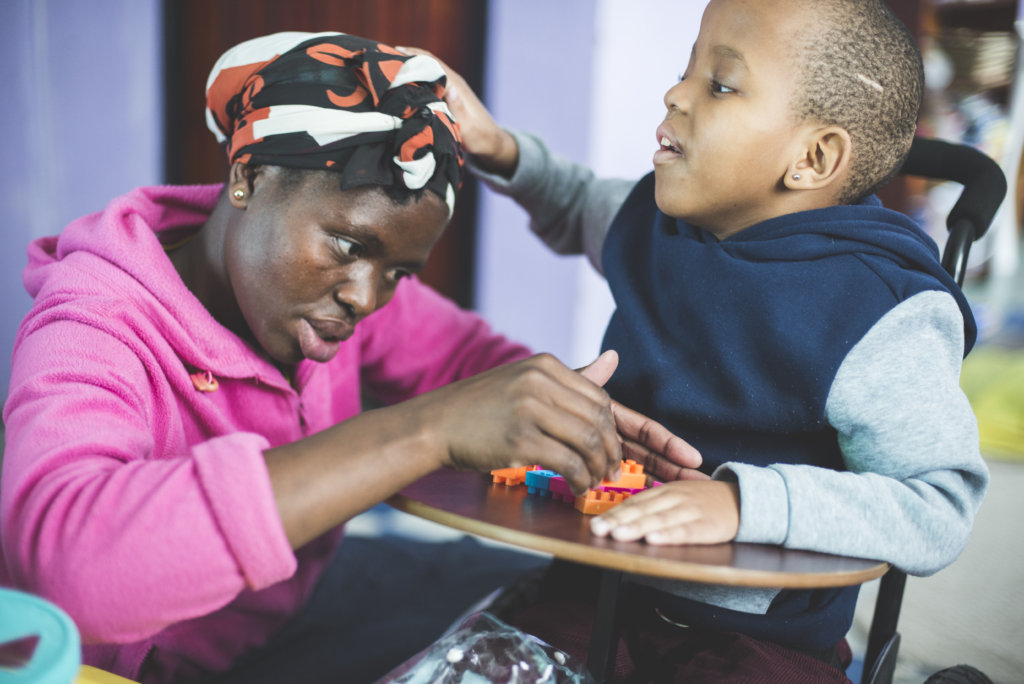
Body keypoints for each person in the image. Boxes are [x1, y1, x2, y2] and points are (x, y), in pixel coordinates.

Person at [0, 31, 700, 684]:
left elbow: (472, 366)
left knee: (535, 604)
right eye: (349, 245)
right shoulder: (93, 317)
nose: (367, 297)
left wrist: (572, 418)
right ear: (247, 177)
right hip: (148, 666)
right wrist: (426, 429)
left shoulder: (326, 292)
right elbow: (74, 572)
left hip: (285, 608)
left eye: (399, 269)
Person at [409, 0, 990, 681]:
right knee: (470, 666)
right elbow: (573, 200)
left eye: (719, 84)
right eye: (688, 69)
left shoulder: (875, 311)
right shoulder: (661, 225)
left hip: (759, 643)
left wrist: (745, 504)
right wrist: (497, 146)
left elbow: (938, 505)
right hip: (594, 589)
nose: (675, 93)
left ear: (814, 157)